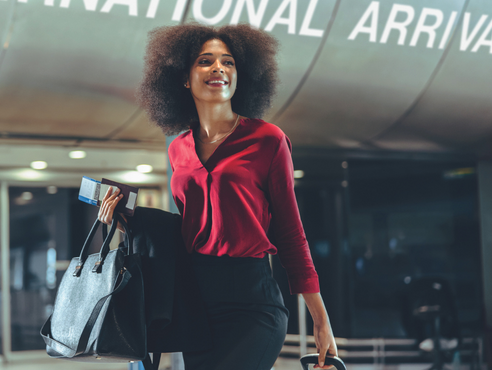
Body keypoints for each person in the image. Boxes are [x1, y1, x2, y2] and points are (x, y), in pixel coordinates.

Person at [98, 23, 338, 370]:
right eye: (205, 61)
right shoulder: (179, 148)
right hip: (196, 304)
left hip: (253, 304)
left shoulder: (268, 140)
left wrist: (320, 317)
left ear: (241, 75)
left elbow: (289, 231)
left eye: (228, 62)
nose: (218, 69)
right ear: (184, 77)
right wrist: (127, 218)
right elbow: (190, 228)